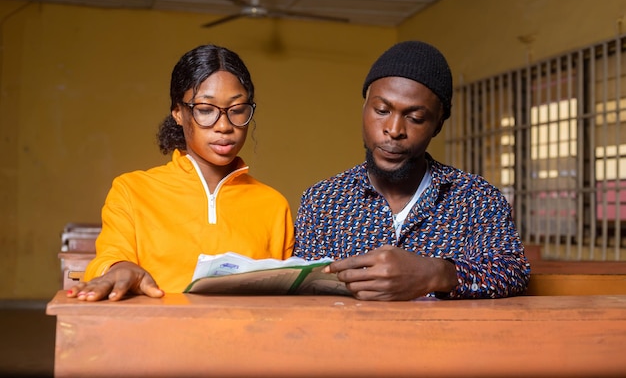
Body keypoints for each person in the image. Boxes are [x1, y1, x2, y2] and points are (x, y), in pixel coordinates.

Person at [294, 40, 530, 300]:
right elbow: (304, 289)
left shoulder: (476, 198)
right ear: (364, 109)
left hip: (444, 340)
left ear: (437, 125)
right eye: (382, 110)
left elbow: (512, 271)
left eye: (415, 118)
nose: (394, 130)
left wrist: (436, 274)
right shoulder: (323, 200)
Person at [68, 44, 294, 301]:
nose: (223, 126)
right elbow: (109, 257)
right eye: (205, 110)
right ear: (178, 113)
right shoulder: (132, 190)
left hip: (246, 339)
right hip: (157, 337)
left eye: (237, 110)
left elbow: (285, 294)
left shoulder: (273, 205)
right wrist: (121, 267)